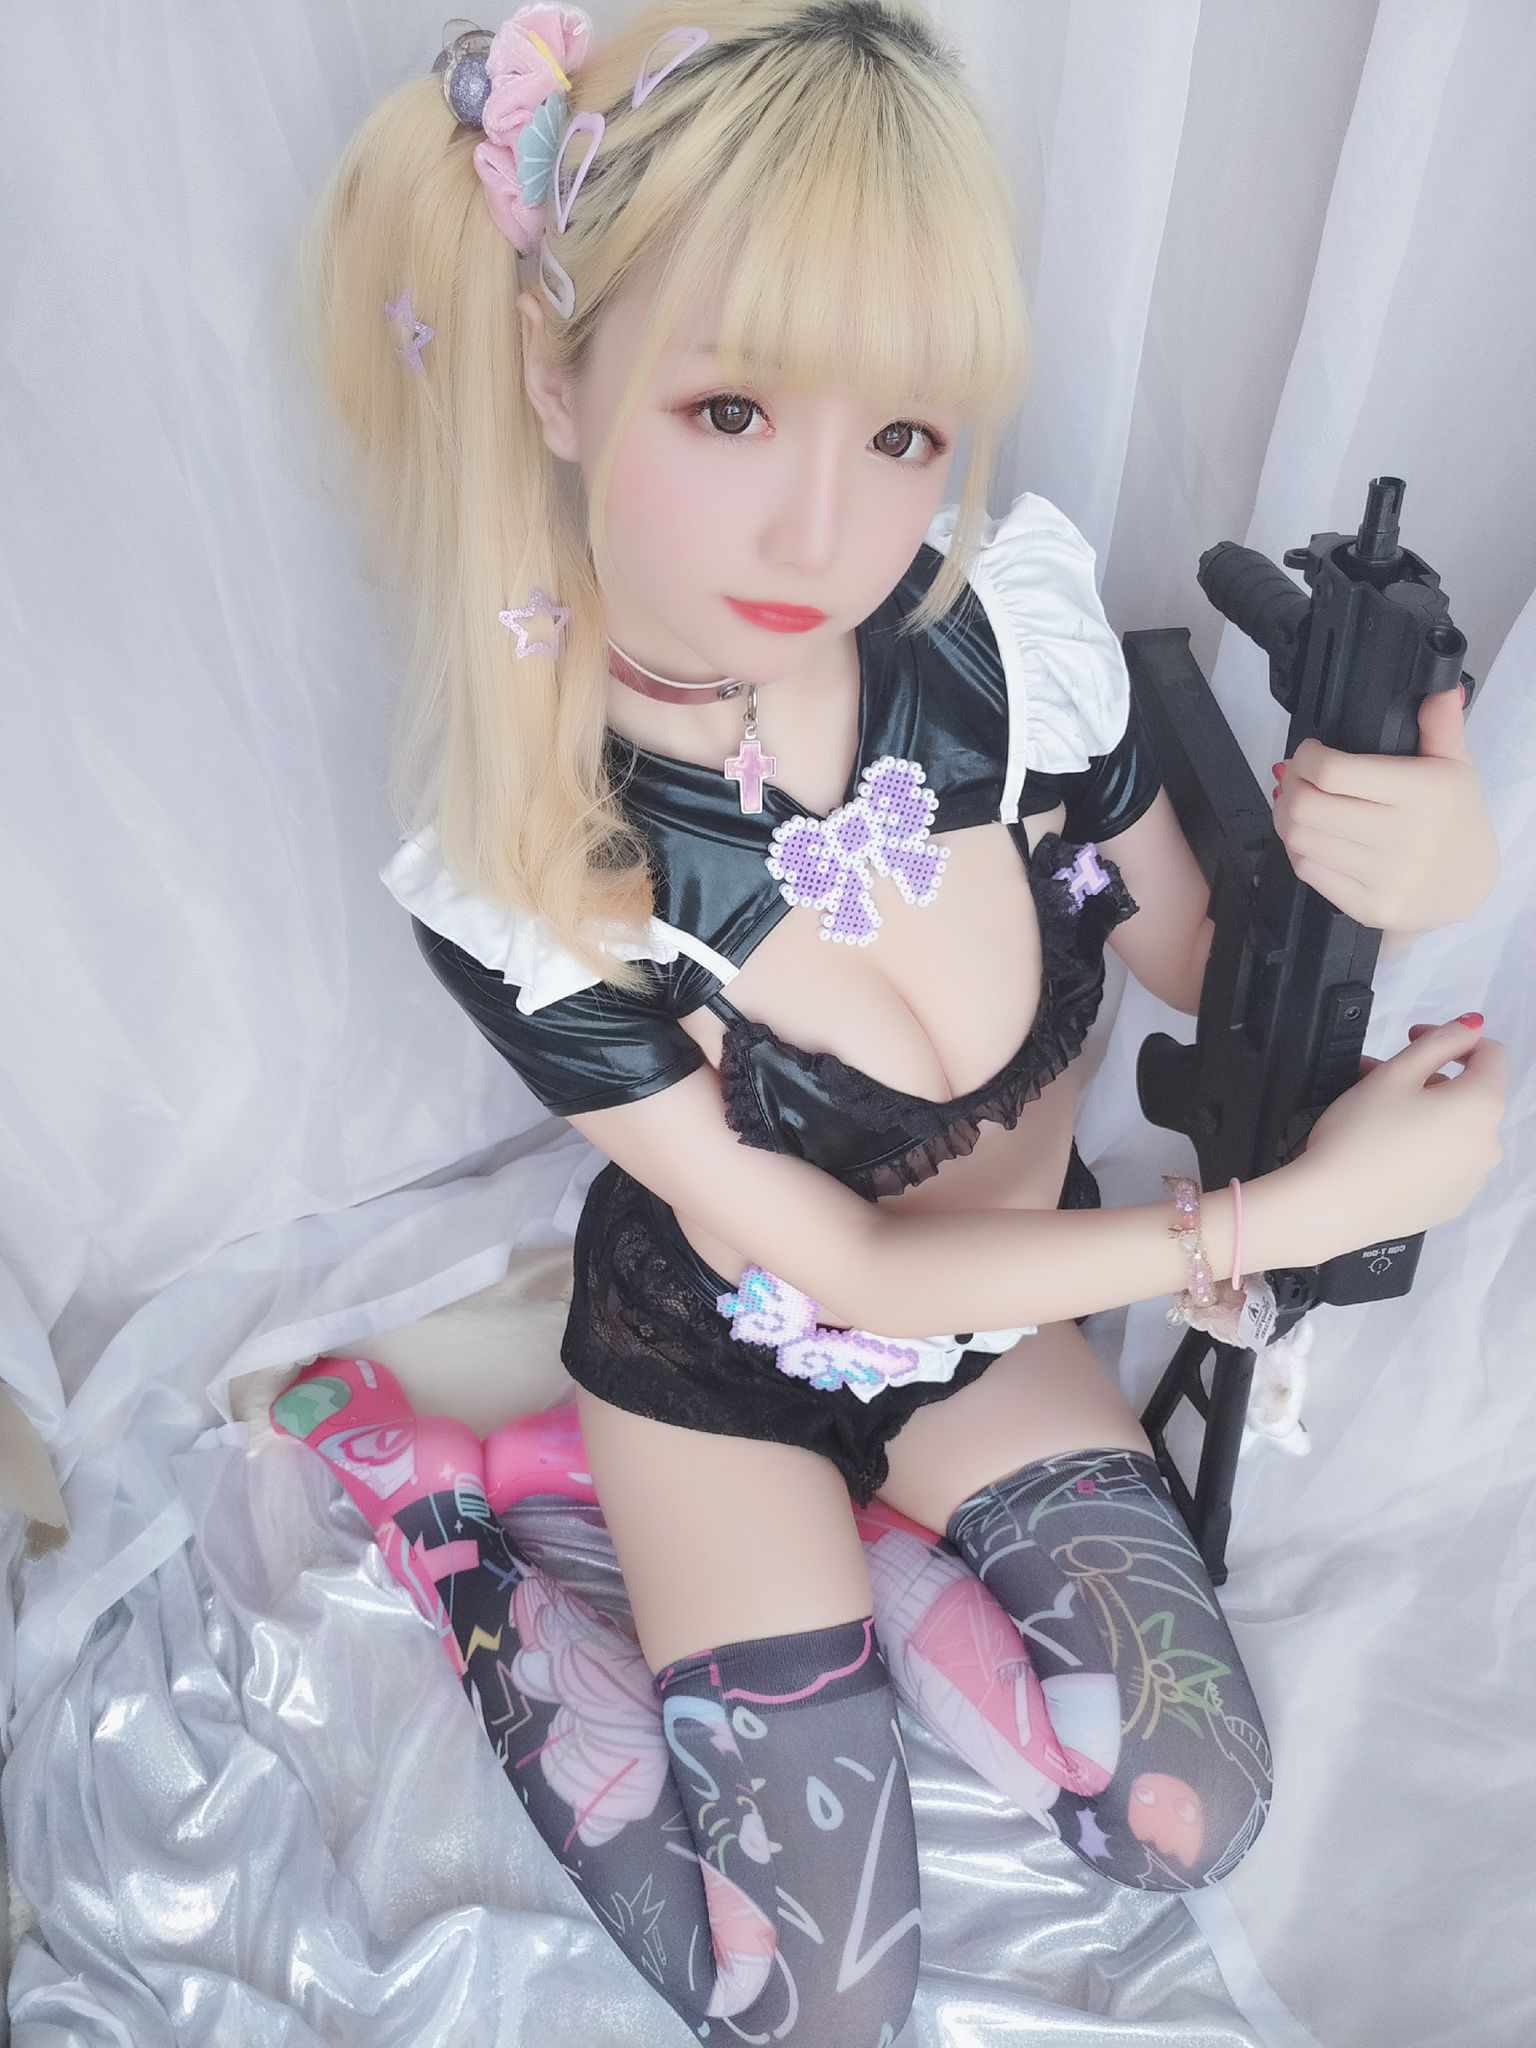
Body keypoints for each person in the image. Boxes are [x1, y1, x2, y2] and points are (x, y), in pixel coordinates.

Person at [277, 4, 1506, 2036]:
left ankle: (877, 1562)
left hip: (1000, 1332)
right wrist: (1277, 1224)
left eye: (905, 433)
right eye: (731, 409)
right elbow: (845, 1261)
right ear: (558, 377)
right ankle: (463, 1532)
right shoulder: (528, 867)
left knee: (1188, 1808)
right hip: (723, 1374)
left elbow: (1200, 955)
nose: (822, 531)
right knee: (811, 2001)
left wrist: (1418, 867)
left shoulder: (995, 644)